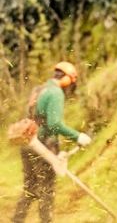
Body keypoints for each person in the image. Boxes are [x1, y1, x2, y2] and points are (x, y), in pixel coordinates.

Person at [13, 61, 92, 223]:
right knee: (47, 190)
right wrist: (77, 136)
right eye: (71, 81)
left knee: (30, 188)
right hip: (42, 146)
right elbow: (54, 124)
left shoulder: (39, 89)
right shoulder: (56, 93)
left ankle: (17, 220)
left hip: (27, 143)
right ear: (66, 79)